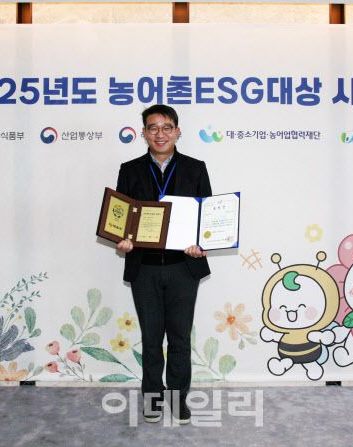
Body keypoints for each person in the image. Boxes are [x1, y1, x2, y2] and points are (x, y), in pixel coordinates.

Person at [115, 104, 212, 425]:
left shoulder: (196, 168)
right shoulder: (129, 170)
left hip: (183, 267)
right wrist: (123, 239)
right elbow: (121, 216)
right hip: (144, 267)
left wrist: (201, 243)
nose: (160, 134)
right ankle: (153, 397)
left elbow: (207, 218)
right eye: (153, 128)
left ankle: (177, 398)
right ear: (143, 133)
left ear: (177, 131)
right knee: (152, 337)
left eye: (167, 127)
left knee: (180, 337)